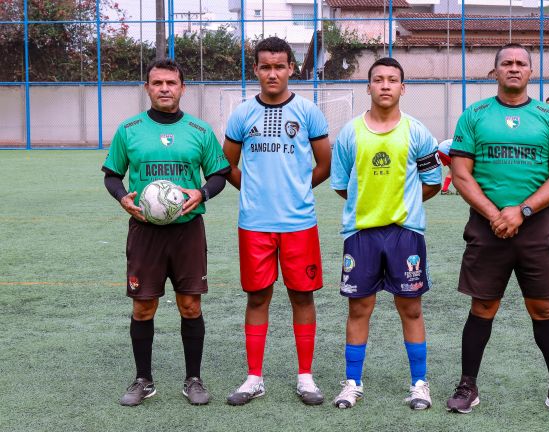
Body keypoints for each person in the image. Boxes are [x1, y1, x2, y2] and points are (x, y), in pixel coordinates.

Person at [446, 43, 549, 417]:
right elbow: (461, 174)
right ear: (495, 72)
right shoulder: (474, 115)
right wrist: (495, 213)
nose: (513, 68)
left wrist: (521, 211)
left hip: (536, 225)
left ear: (530, 72)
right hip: (486, 224)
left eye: (520, 63)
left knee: (542, 307)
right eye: (506, 63)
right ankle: (467, 386)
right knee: (484, 305)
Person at [102, 59, 231, 406]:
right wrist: (122, 197)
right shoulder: (129, 130)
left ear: (182, 88)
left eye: (170, 83)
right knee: (143, 307)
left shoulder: (200, 131)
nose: (164, 88)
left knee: (190, 305)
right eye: (157, 83)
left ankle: (194, 379)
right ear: (147, 88)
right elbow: (112, 175)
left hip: (187, 231)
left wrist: (201, 193)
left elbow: (220, 174)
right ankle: (143, 379)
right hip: (145, 232)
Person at [222, 37, 331, 406]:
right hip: (254, 222)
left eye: (279, 66)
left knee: (302, 295)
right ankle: (254, 378)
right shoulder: (241, 113)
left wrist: (298, 190)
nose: (272, 73)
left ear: (290, 69)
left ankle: (306, 377)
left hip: (299, 222)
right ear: (255, 69)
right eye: (265, 67)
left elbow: (324, 165)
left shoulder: (309, 111)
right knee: (258, 297)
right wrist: (253, 191)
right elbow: (227, 166)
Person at [330, 57, 442, 410]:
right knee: (359, 308)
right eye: (378, 79)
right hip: (361, 233)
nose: (385, 85)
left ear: (402, 87)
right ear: (368, 87)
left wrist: (403, 206)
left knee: (410, 309)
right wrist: (370, 206)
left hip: (405, 235)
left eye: (392, 80)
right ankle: (352, 383)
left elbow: (432, 182)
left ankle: (419, 383)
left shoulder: (417, 131)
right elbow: (340, 184)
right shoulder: (350, 132)